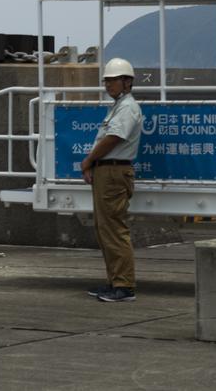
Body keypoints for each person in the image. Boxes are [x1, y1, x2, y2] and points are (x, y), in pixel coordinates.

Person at [81, 57, 142, 303]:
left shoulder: (127, 107)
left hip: (114, 172)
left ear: (127, 82)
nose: (108, 85)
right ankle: (115, 281)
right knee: (105, 228)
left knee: (114, 229)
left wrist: (88, 160)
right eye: (106, 81)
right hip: (108, 171)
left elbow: (113, 138)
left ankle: (124, 286)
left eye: (113, 80)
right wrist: (95, 165)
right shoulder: (119, 106)